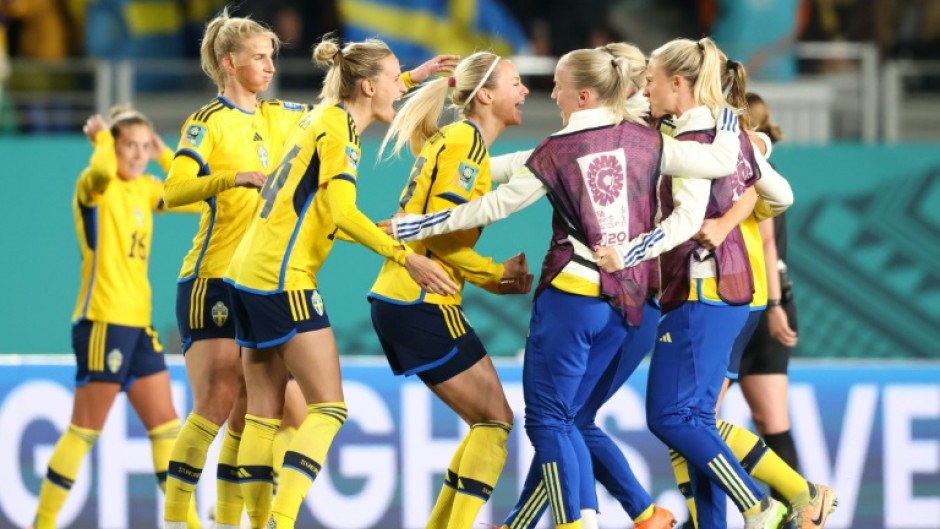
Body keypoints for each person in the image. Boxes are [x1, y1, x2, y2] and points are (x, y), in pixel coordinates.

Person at [386, 43, 747, 529]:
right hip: (627, 307)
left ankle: (582, 523)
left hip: (570, 302)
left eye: (556, 82)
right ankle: (628, 516)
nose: (546, 90)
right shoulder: (644, 141)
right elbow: (722, 162)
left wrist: (414, 227)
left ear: (581, 95)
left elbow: (494, 207)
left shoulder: (558, 152)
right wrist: (727, 116)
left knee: (549, 421)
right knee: (573, 421)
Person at [223, 36, 458, 529]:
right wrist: (402, 255)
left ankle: (249, 524)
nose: (402, 87)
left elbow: (321, 212)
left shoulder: (321, 115)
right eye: (395, 80)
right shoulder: (342, 130)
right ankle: (280, 522)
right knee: (328, 408)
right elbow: (341, 210)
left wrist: (416, 76)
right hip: (283, 279)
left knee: (263, 415)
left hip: (246, 273)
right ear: (369, 85)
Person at [601, 37, 791, 529]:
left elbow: (687, 219)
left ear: (678, 83)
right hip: (722, 292)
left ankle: (761, 504)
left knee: (668, 419)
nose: (646, 87)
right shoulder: (715, 132)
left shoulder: (691, 142)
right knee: (697, 425)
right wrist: (753, 147)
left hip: (702, 289)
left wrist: (629, 253)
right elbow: (781, 193)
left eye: (652, 80)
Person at [160, 10, 313, 529]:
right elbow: (173, 191)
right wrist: (229, 180)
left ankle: (239, 523)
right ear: (229, 63)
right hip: (212, 279)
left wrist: (399, 80)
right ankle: (178, 518)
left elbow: (338, 114)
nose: (270, 66)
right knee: (219, 400)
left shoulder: (278, 115)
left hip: (256, 284)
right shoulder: (208, 122)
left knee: (258, 409)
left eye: (272, 56)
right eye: (259, 57)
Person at [370, 50, 534, 529]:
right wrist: (494, 274)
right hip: (420, 300)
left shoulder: (456, 138)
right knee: (496, 422)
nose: (525, 92)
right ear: (486, 95)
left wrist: (493, 278)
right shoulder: (466, 144)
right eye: (516, 83)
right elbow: (439, 232)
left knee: (489, 422)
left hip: (405, 297)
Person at [30, 108, 201, 529]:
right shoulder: (95, 188)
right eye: (131, 146)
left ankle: (190, 524)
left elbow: (199, 199)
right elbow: (102, 174)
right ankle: (44, 522)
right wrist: (103, 141)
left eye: (145, 146)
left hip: (139, 327)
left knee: (166, 428)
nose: (138, 155)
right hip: (103, 322)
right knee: (84, 430)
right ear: (113, 146)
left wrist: (167, 154)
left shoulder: (145, 190)